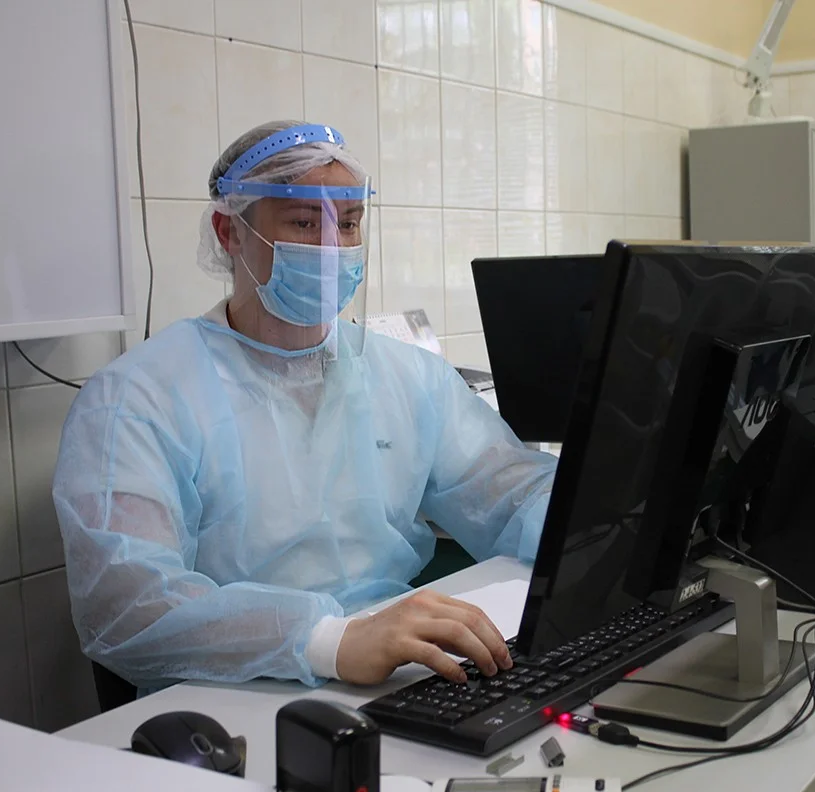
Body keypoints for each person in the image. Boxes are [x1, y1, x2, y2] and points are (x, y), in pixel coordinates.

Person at [53, 120, 557, 692]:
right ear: (229, 231)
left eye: (349, 222)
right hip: (233, 693)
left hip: (397, 674)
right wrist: (326, 641)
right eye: (303, 222)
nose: (332, 247)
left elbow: (510, 492)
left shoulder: (408, 377)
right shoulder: (137, 398)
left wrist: (607, 527)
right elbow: (128, 605)